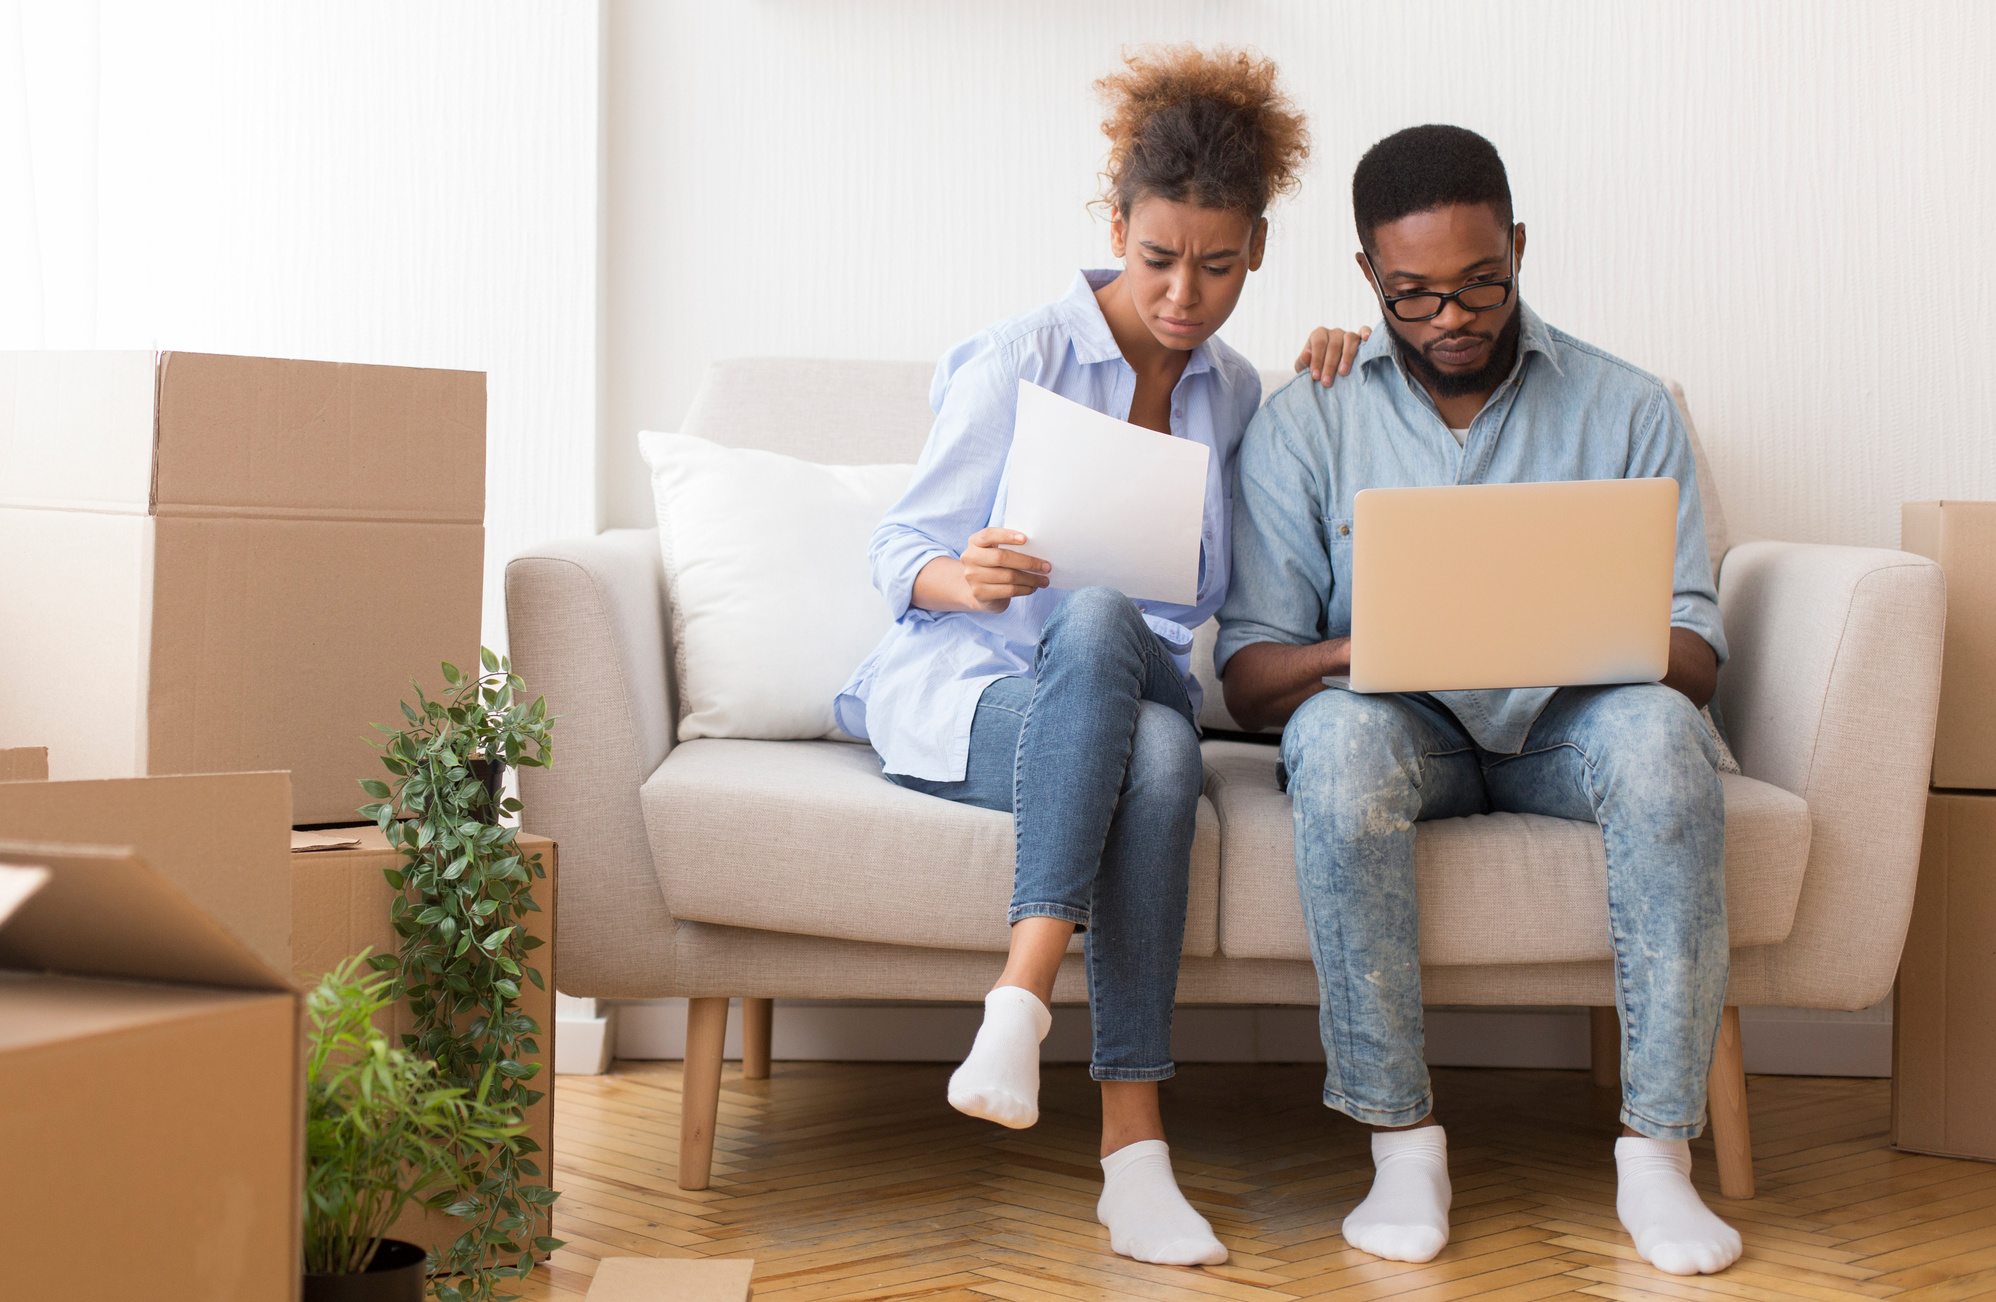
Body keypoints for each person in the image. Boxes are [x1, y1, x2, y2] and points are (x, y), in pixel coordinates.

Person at [833, 47, 1362, 1268]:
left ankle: (1019, 1013)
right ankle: (1130, 1151)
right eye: (1159, 258)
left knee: (1115, 632)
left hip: (1132, 680)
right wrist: (964, 574)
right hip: (984, 692)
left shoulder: (1235, 392)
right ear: (1118, 226)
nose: (1185, 293)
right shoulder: (1019, 357)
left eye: (1219, 266)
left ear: (1258, 252)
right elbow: (899, 546)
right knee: (1146, 733)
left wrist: (1350, 358)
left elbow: (1217, 582)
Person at [1216, 124, 1744, 1278]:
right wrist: (1369, 646)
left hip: (1571, 725)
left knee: (1663, 739)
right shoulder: (1309, 418)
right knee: (1337, 745)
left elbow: (1698, 658)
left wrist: (1574, 631)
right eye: (1410, 297)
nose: (1449, 318)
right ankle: (1401, 1144)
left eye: (1479, 284)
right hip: (1400, 727)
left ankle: (1658, 1158)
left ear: (1516, 247)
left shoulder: (1627, 406)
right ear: (1366, 278)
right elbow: (1250, 680)